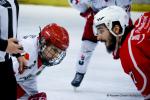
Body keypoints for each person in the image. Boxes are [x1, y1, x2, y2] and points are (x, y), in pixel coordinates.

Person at [68, 0, 132, 88]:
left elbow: (126, 8)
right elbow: (73, 1)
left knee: (127, 48)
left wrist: (124, 21)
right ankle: (80, 72)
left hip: (118, 21)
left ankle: (136, 68)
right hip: (97, 19)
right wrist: (87, 12)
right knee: (86, 46)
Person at [94, 6, 150, 99]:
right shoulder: (143, 19)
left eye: (101, 31)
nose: (98, 37)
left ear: (116, 29)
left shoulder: (129, 55)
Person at [12, 23, 69, 100]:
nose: (55, 55)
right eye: (54, 50)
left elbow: (28, 76)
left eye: (59, 52)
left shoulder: (42, 53)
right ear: (43, 41)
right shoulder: (27, 53)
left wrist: (33, 94)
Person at [0, 0, 26, 99]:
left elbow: (10, 30)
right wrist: (4, 45)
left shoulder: (12, 2)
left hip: (5, 63)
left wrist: (18, 54)